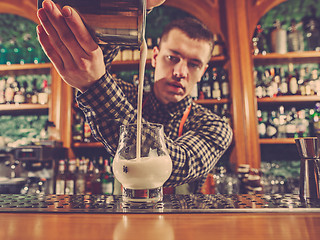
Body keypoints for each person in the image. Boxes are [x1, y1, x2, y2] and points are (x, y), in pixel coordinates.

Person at [37, 0, 233, 193]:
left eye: (194, 64)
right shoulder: (127, 95)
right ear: (155, 57)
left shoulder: (215, 126)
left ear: (203, 71)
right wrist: (135, 8)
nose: (180, 72)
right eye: (172, 58)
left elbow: (177, 166)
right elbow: (96, 61)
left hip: (182, 223)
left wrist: (96, 84)